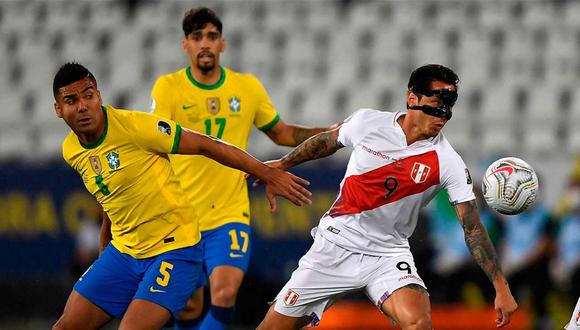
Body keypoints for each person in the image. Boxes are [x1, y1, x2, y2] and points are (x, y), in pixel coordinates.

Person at [51, 62, 311, 329]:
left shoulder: (136, 127)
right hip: (125, 253)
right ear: (59, 110)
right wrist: (106, 239)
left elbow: (206, 144)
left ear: (99, 96)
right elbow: (111, 192)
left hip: (174, 249)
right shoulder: (71, 150)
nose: (82, 105)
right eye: (71, 100)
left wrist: (266, 173)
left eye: (88, 95)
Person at [256, 64, 518, 329]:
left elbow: (472, 228)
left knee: (419, 323)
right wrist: (284, 164)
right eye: (438, 103)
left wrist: (501, 287)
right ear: (412, 99)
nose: (444, 114)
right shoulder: (368, 122)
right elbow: (326, 141)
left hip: (387, 254)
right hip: (335, 245)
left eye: (450, 105)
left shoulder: (447, 161)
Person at [147, 7, 335, 330]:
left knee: (224, 291)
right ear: (186, 46)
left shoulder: (246, 87)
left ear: (223, 44)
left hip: (229, 212)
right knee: (188, 306)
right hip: (181, 214)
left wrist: (332, 133)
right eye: (196, 37)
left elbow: (283, 133)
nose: (205, 43)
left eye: (212, 36)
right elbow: (154, 141)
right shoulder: (168, 88)